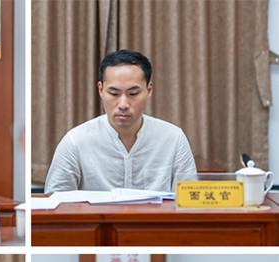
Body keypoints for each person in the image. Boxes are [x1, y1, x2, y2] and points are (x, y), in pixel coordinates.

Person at [44, 50, 197, 194]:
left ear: (149, 90)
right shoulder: (75, 141)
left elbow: (189, 200)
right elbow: (55, 201)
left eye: (133, 93)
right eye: (114, 93)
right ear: (100, 90)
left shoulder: (173, 139)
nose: (123, 104)